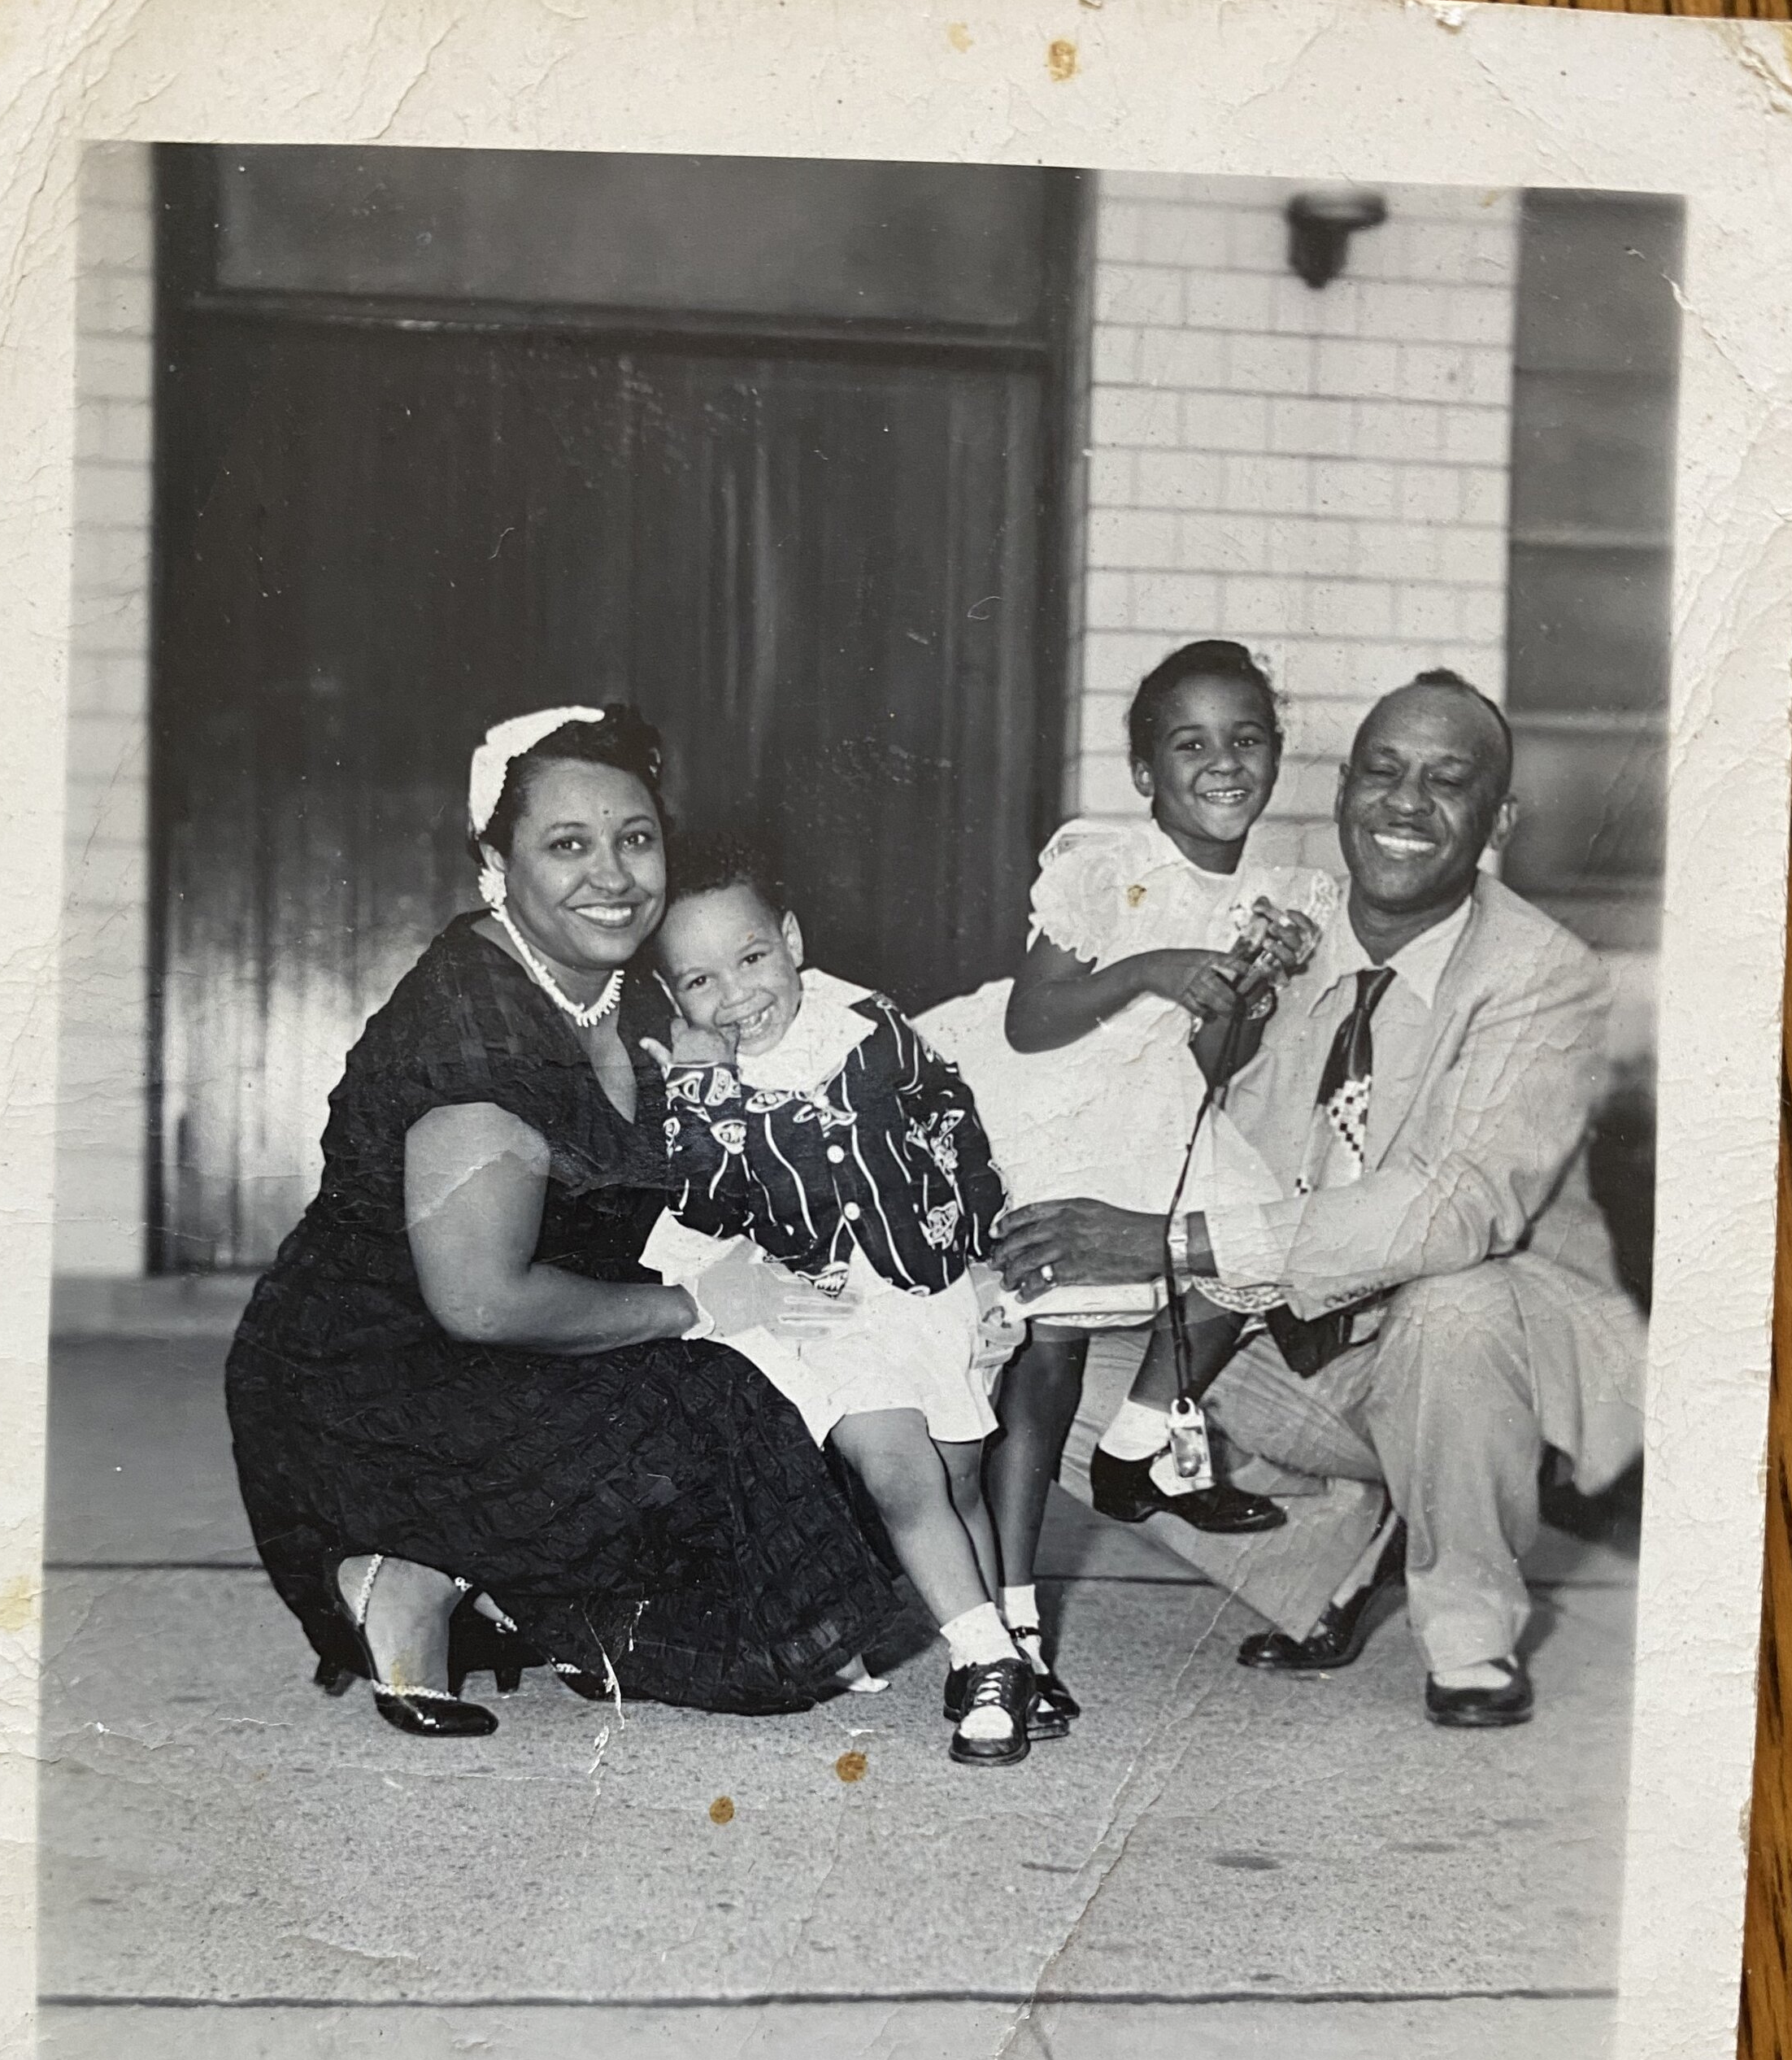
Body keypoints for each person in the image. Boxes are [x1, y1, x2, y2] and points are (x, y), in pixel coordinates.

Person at [224, 703, 904, 1737]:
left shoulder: (625, 987)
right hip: (380, 1377)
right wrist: (696, 1306)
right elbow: (483, 1303)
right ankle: (422, 1565)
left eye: (635, 839)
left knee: (852, 1419)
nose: (614, 876)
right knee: (733, 1422)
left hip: (525, 1346)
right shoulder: (474, 1034)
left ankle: (462, 1577)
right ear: (496, 861)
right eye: (567, 845)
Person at [995, 670, 1646, 1731]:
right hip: (1296, 1341)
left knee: (1457, 1301)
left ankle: (1469, 1632)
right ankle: (1330, 1557)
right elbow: (1200, 1113)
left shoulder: (1545, 976)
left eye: (1449, 781)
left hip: (1464, 1362)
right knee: (1046, 1352)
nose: (1405, 804)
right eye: (1382, 773)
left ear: (1500, 818)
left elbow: (1458, 1206)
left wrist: (1171, 1241)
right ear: (1342, 791)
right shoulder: (1288, 935)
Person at [919, 639, 1336, 1701]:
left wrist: (1248, 987)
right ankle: (1016, 1626)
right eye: (1190, 743)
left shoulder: (1273, 896)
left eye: (1247, 739)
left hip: (1155, 1107)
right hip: (1050, 1094)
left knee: (1246, 1251)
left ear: (1276, 756)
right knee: (1047, 1355)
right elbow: (1033, 1016)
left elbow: (1211, 1066)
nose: (1224, 762)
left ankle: (1138, 1441)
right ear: (1146, 773)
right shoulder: (1104, 867)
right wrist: (1154, 966)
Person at [643, 859, 1041, 1768]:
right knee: (898, 1472)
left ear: (790, 943)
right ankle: (989, 1662)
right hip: (817, 1307)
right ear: (673, 994)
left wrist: (983, 1269)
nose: (737, 996)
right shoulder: (698, 1079)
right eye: (701, 981)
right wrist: (702, 1094)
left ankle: (987, 1642)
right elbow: (701, 1205)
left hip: (928, 1285)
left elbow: (953, 1136)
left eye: (750, 959)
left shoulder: (871, 1030)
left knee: (955, 1480)